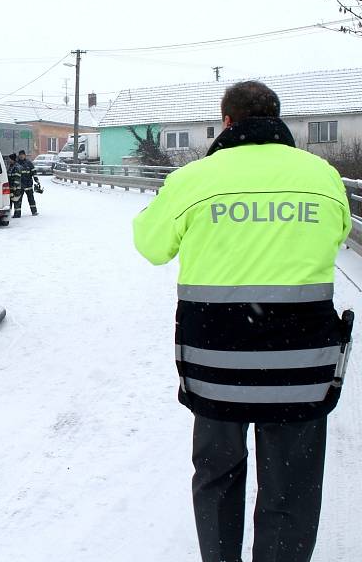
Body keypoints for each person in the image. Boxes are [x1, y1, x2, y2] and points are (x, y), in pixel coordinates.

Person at [132, 80, 351, 562]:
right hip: (302, 365)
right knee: (291, 489)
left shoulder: (193, 179)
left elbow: (151, 247)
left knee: (217, 476)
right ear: (278, 120)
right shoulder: (322, 175)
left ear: (226, 121)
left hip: (216, 363)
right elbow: (335, 236)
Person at [16, 150, 40, 216]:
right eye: (20, 155)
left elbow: (34, 172)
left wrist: (36, 180)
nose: (21, 156)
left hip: (28, 184)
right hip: (20, 185)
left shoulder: (29, 163)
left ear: (25, 155)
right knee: (18, 200)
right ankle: (17, 213)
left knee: (31, 199)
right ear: (19, 156)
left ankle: (34, 211)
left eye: (22, 155)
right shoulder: (16, 163)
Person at [7, 153, 23, 217]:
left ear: (12, 159)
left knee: (16, 200)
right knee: (11, 200)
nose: (8, 160)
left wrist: (15, 187)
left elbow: (17, 178)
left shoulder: (16, 167)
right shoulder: (11, 166)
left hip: (16, 188)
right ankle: (11, 213)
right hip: (11, 187)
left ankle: (17, 214)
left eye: (9, 159)